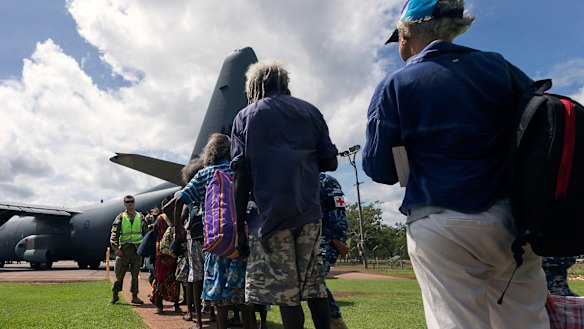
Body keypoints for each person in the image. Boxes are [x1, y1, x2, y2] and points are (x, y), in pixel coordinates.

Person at [362, 0, 549, 328]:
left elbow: (379, 169)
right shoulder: (500, 67)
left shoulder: (395, 85)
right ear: (454, 27)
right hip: (515, 220)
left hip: (440, 219)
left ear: (405, 34)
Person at [231, 60, 339, 329]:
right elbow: (331, 162)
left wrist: (238, 229)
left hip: (270, 215)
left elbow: (241, 177)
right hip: (309, 211)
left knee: (286, 295)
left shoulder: (245, 116)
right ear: (284, 82)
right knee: (314, 287)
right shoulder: (310, 111)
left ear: (255, 86)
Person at [173, 133, 255, 329]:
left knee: (220, 299)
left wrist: (178, 231)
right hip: (241, 241)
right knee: (245, 296)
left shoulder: (203, 174)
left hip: (215, 245)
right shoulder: (239, 170)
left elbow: (178, 201)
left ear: (210, 151)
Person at [319, 173, 349, 329]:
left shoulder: (327, 181)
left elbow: (337, 212)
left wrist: (337, 240)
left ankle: (336, 322)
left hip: (326, 242)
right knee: (312, 286)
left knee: (315, 281)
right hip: (307, 243)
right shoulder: (297, 177)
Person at [109, 195, 148, 305]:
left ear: (134, 203)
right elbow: (114, 233)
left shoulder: (140, 217)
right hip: (124, 250)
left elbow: (146, 234)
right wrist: (116, 248)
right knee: (119, 274)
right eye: (127, 202)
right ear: (124, 204)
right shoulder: (120, 217)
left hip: (137, 250)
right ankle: (115, 295)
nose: (130, 204)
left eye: (132, 201)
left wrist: (144, 249)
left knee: (135, 274)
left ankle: (134, 296)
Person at [149, 197, 182, 314]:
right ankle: (175, 305)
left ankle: (160, 306)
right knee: (172, 278)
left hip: (162, 254)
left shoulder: (160, 219)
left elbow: (154, 234)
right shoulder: (176, 219)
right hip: (171, 253)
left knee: (162, 278)